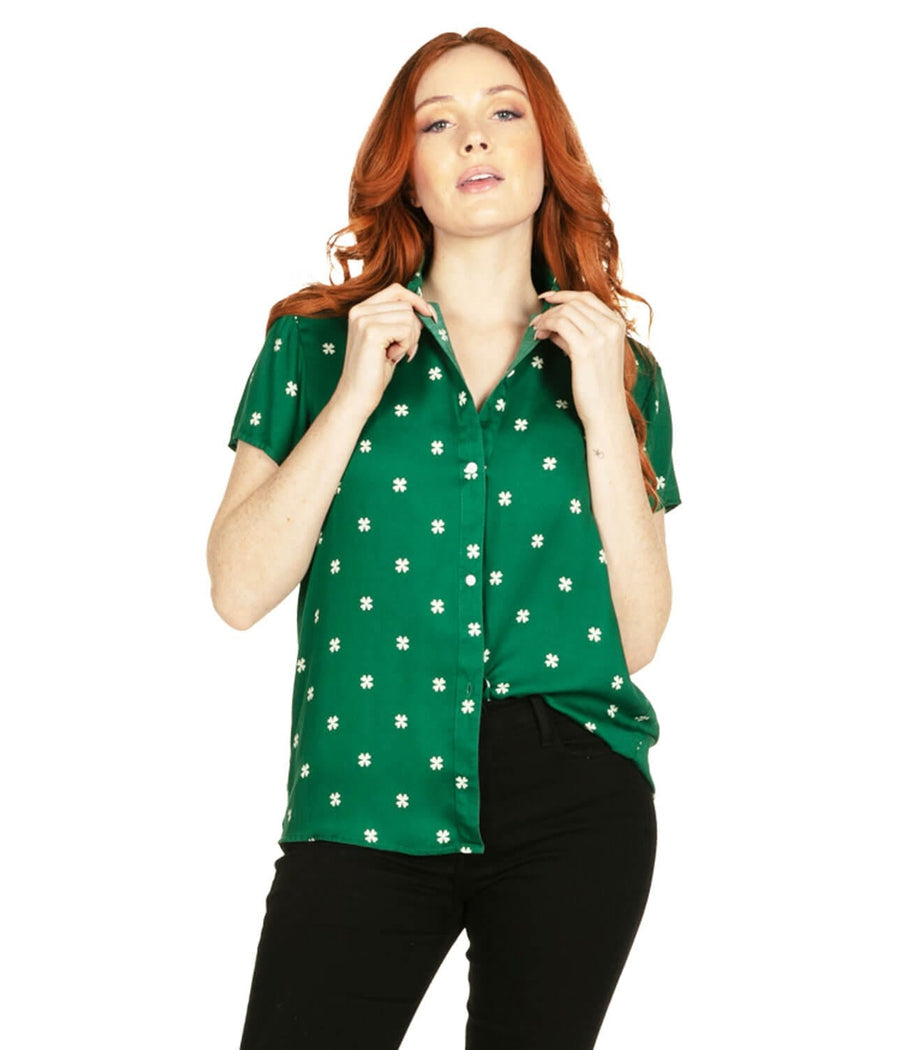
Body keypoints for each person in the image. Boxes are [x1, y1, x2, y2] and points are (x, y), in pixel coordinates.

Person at [207, 26, 681, 1050]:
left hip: (572, 794)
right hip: (365, 783)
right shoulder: (313, 345)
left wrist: (605, 407)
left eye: (505, 111)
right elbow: (238, 591)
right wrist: (354, 395)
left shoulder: (618, 368)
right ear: (408, 176)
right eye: (438, 123)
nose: (475, 138)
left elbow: (637, 637)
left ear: (546, 153)